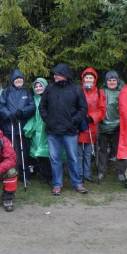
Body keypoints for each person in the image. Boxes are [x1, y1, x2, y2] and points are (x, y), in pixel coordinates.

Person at [39, 63, 88, 195]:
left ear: (65, 75)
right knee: (55, 159)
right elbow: (42, 106)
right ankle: (57, 185)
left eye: (57, 74)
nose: (55, 76)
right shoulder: (49, 88)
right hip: (53, 131)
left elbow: (83, 108)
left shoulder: (76, 89)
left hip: (70, 131)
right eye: (54, 74)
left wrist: (73, 121)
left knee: (73, 158)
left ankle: (77, 183)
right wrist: (47, 119)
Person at [0, 68, 35, 185]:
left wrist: (22, 112)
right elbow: (0, 105)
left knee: (24, 153)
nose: (18, 81)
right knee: (9, 153)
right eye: (16, 79)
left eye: (20, 79)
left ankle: (25, 175)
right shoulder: (6, 92)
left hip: (22, 128)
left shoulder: (27, 92)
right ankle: (9, 174)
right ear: (12, 80)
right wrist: (8, 115)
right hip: (10, 128)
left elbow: (32, 106)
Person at [97, 71, 127, 181]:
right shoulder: (101, 92)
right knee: (102, 150)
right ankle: (101, 171)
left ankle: (120, 172)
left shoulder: (122, 93)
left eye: (114, 80)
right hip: (103, 126)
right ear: (106, 82)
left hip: (119, 126)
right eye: (109, 80)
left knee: (120, 150)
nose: (112, 82)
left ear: (117, 81)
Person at [78, 68, 106, 182]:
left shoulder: (99, 93)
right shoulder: (78, 91)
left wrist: (91, 117)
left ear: (94, 79)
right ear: (83, 79)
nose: (88, 79)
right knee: (79, 152)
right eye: (87, 77)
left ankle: (87, 173)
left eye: (91, 78)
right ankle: (79, 172)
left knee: (88, 152)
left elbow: (102, 109)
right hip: (79, 124)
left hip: (91, 125)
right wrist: (79, 117)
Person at [23, 78, 53, 184]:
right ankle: (44, 174)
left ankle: (50, 175)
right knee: (37, 154)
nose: (38, 88)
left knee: (46, 153)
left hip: (46, 130)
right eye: (36, 86)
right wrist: (30, 128)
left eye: (40, 86)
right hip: (36, 131)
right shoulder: (32, 100)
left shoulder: (50, 99)